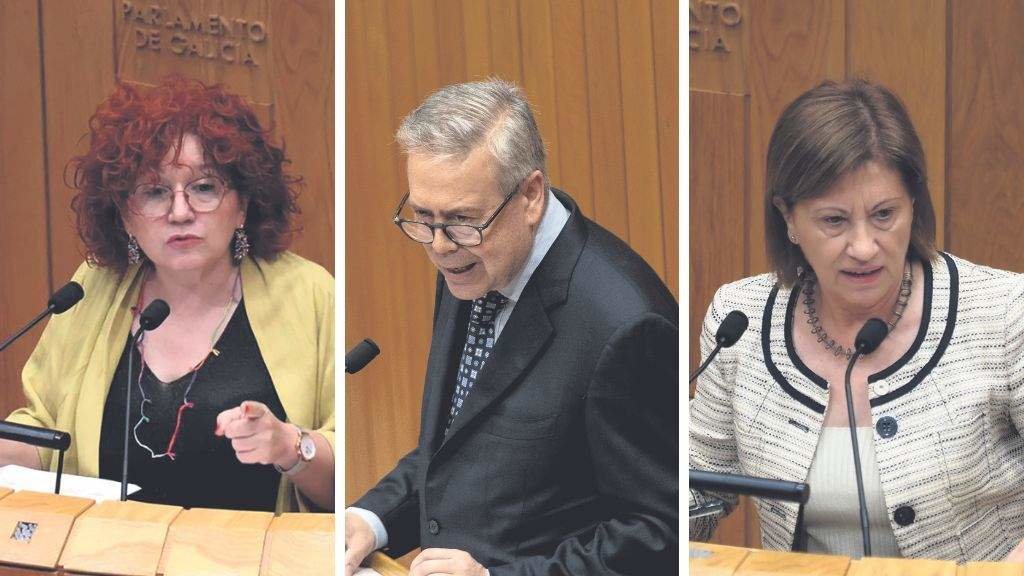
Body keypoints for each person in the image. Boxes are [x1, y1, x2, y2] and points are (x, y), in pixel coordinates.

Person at [345, 79, 678, 575]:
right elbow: (463, 447)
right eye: (422, 217)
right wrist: (372, 519)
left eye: (459, 220)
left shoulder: (625, 326)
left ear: (530, 196)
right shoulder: (474, 255)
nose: (438, 247)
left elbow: (658, 534)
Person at [690, 79, 1024, 562]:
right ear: (788, 219)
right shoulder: (740, 320)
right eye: (834, 220)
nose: (864, 247)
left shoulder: (1004, 313)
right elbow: (697, 487)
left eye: (884, 214)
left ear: (915, 204)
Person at [2, 76, 334, 513]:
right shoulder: (93, 289)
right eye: (155, 192)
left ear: (243, 205)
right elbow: (46, 436)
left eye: (204, 187)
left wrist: (292, 446)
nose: (180, 212)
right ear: (125, 216)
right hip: (110, 557)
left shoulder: (308, 294)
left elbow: (350, 478)